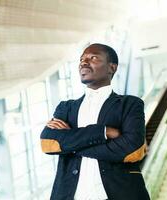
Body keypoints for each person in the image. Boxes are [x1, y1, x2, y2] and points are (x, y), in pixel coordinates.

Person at [40, 43, 150, 200]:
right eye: (81, 59)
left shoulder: (130, 104)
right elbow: (48, 143)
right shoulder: (66, 107)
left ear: (112, 68)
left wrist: (69, 144)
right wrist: (103, 132)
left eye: (93, 58)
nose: (84, 62)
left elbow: (133, 150)